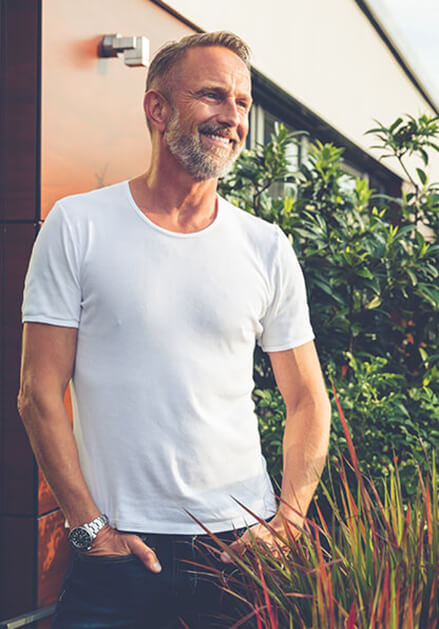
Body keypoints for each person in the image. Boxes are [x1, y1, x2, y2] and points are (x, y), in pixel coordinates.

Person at [18, 31, 331, 628]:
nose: (232, 117)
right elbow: (38, 393)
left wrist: (287, 524)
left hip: (240, 550)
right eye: (213, 95)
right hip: (118, 552)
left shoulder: (266, 247)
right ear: (157, 109)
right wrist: (88, 527)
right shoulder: (78, 225)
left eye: (242, 102)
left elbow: (308, 400)